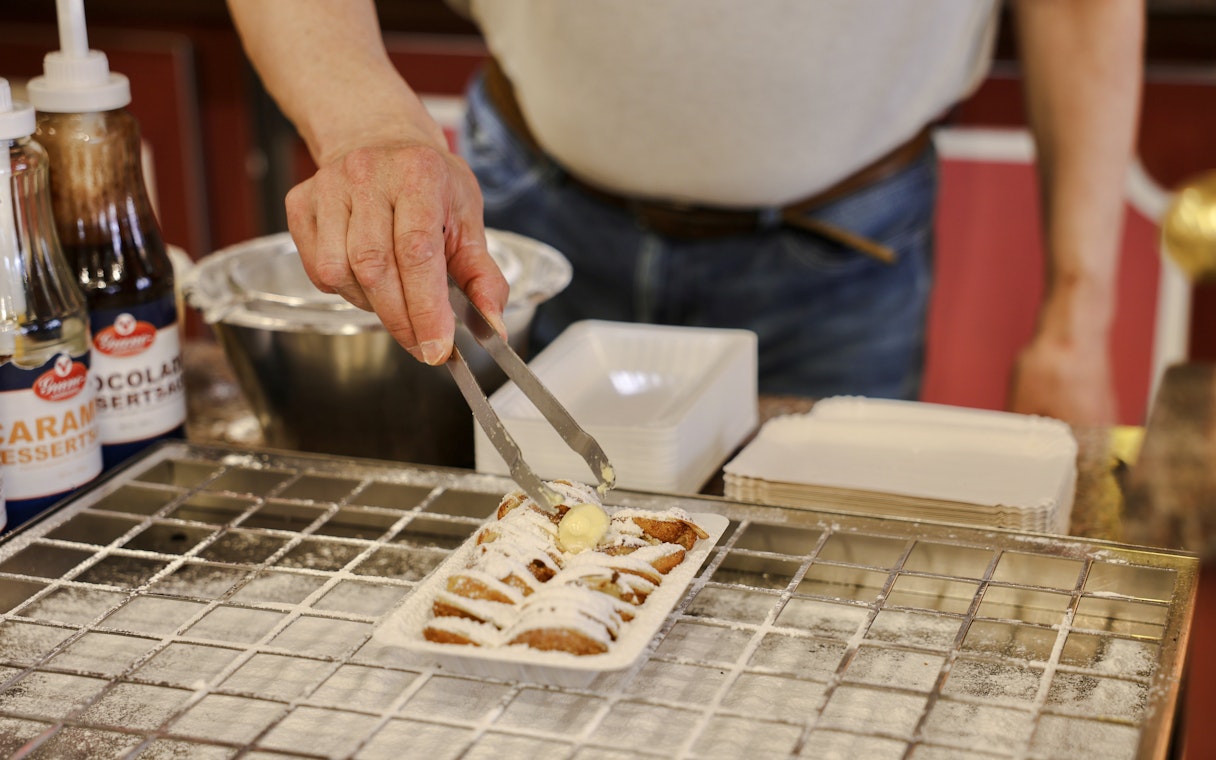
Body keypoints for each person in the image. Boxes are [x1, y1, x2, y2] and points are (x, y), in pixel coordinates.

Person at [225, 0, 1143, 426]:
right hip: (528, 222)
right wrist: (368, 125)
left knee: (813, 638)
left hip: (840, 257)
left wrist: (1078, 313)